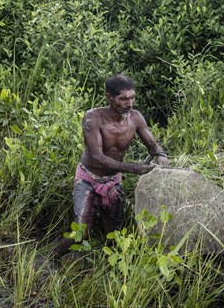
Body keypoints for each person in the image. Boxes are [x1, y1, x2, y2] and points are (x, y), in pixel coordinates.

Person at [55, 74, 169, 256]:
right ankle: (53, 260)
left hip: (113, 180)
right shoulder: (93, 118)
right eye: (123, 99)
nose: (130, 104)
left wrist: (160, 154)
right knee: (80, 233)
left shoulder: (136, 118)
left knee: (114, 235)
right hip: (88, 179)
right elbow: (97, 158)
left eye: (132, 98)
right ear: (109, 98)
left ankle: (109, 273)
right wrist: (134, 168)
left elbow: (152, 144)